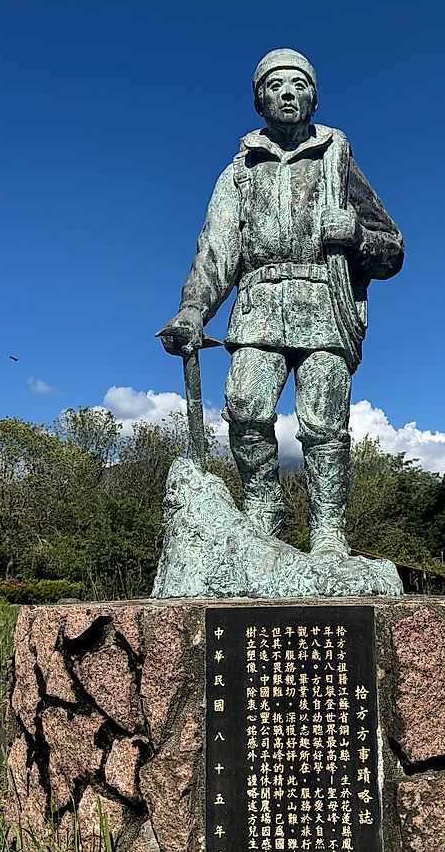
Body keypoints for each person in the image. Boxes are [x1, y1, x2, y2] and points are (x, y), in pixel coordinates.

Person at [159, 48, 403, 555]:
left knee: (323, 422)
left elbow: (392, 249)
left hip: (323, 304)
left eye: (298, 84)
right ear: (258, 100)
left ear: (313, 97)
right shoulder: (239, 172)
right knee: (245, 409)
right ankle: (263, 511)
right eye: (274, 85)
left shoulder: (338, 161)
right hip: (259, 305)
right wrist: (193, 309)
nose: (287, 93)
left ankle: (329, 531)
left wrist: (356, 235)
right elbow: (217, 249)